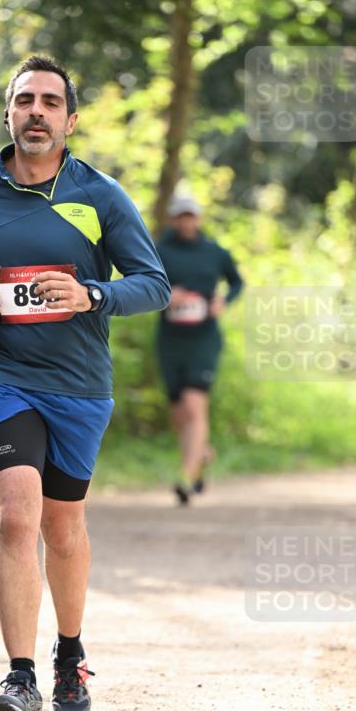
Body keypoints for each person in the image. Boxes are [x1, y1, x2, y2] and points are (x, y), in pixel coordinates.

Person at [0, 55, 170, 711]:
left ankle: (70, 652)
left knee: (63, 527)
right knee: (16, 513)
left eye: (49, 102)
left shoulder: (100, 196)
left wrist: (93, 292)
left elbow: (151, 282)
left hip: (79, 386)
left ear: (70, 119)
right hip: (3, 375)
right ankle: (20, 677)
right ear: (7, 113)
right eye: (24, 101)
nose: (36, 112)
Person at [155, 195, 244, 506]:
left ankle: (186, 478)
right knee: (179, 414)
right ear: (173, 219)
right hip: (170, 339)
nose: (186, 222)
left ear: (199, 219)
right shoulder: (160, 251)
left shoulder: (215, 252)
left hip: (204, 339)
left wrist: (223, 300)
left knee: (195, 406)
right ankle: (201, 453)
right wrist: (166, 295)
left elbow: (236, 283)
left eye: (191, 216)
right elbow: (143, 281)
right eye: (181, 216)